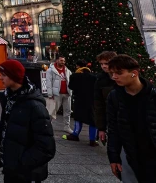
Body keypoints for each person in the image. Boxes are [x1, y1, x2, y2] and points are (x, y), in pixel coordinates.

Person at [0, 60, 56, 182]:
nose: (0, 78)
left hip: (24, 172)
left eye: (4, 75)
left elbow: (47, 147)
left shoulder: (35, 106)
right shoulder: (10, 98)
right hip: (11, 167)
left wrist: (21, 164)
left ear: (14, 77)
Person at [106, 54, 156, 182]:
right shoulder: (115, 96)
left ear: (134, 73)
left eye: (119, 73)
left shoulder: (152, 95)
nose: (114, 77)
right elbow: (113, 128)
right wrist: (114, 157)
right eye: (112, 73)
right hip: (129, 153)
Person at [62, 60, 98, 146]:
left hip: (79, 100)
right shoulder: (93, 76)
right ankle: (92, 139)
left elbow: (71, 86)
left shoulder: (74, 76)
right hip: (91, 100)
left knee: (78, 118)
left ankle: (75, 134)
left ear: (78, 66)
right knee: (92, 119)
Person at [93, 51, 117, 145]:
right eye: (101, 64)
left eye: (106, 63)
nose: (103, 66)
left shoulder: (124, 76)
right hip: (110, 120)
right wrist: (101, 128)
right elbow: (99, 104)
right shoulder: (100, 79)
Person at [46, 56, 72, 133]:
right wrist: (50, 94)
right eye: (61, 60)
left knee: (68, 111)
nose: (63, 62)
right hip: (56, 93)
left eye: (64, 61)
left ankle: (66, 127)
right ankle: (47, 124)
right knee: (52, 111)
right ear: (57, 60)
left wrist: (71, 91)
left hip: (67, 93)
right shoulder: (51, 70)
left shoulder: (67, 70)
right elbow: (48, 82)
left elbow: (69, 80)